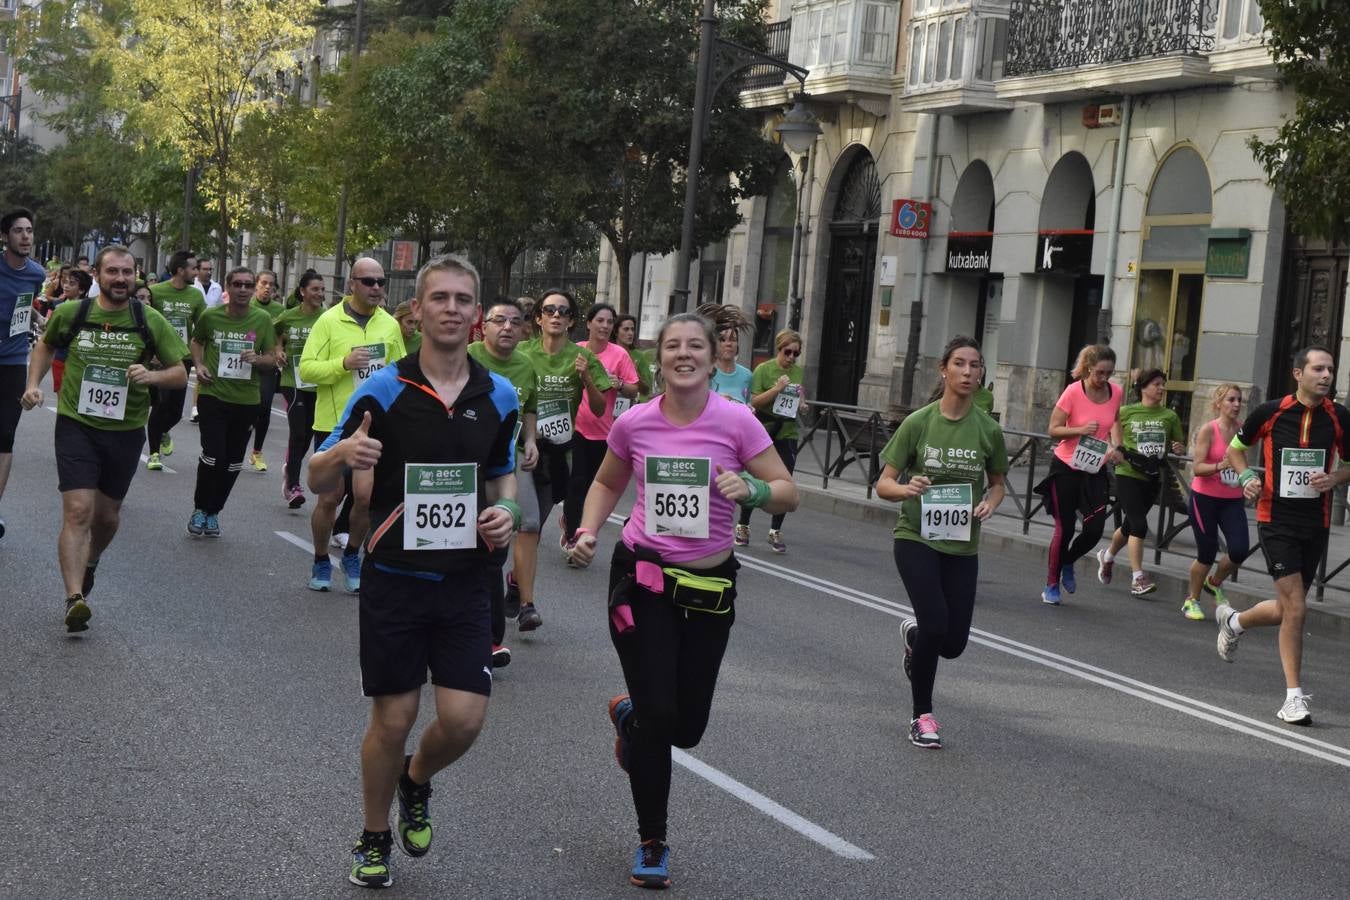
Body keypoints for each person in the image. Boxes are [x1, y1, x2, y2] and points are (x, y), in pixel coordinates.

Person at [307, 253, 519, 890]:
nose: (452, 309)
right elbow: (316, 475)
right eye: (440, 299)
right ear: (418, 311)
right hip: (396, 579)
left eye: (463, 300)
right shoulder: (384, 389)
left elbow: (502, 475)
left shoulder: (498, 394)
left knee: (462, 721)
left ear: (476, 316)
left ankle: (415, 780)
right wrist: (343, 451)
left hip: (465, 583)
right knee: (392, 721)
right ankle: (373, 835)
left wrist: (505, 510)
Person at [568, 311, 797, 891]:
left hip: (710, 589)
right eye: (673, 346)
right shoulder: (637, 423)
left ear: (710, 353)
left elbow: (788, 494)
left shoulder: (739, 421)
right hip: (644, 581)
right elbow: (605, 482)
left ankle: (628, 714)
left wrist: (756, 488)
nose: (685, 354)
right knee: (660, 718)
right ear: (658, 358)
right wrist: (589, 531)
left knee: (686, 727)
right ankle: (652, 840)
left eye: (696, 345)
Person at [21, 245, 187, 630]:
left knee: (107, 516)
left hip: (126, 430)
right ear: (97, 275)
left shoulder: (149, 320)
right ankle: (74, 597)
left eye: (127, 273)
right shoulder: (73, 313)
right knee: (79, 510)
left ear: (136, 276)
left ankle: (91, 561)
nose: (120, 279)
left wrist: (153, 376)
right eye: (112, 272)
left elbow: (179, 372)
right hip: (77, 423)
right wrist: (33, 384)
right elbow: (45, 346)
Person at [876, 336, 1007, 749]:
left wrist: (990, 502)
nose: (969, 372)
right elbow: (883, 484)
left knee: (952, 644)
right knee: (935, 620)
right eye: (961, 364)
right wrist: (907, 488)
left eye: (976, 366)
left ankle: (917, 641)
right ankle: (921, 716)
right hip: (916, 537)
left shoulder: (988, 430)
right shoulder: (919, 423)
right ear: (944, 370)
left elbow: (999, 484)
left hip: (962, 544)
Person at [1216, 346, 1350, 726]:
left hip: (1316, 521)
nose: (1326, 375)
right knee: (1297, 609)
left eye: (1331, 370)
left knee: (1287, 608)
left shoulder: (1339, 417)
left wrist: (1335, 478)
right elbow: (1236, 449)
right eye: (1319, 368)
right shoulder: (1271, 411)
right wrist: (1246, 477)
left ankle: (1235, 622)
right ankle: (1293, 698)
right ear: (1298, 373)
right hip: (1275, 519)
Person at [299, 257, 406, 592]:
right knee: (329, 498)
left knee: (364, 498)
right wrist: (343, 363)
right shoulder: (328, 322)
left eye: (380, 281)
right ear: (352, 284)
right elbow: (306, 369)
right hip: (334, 424)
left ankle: (351, 554)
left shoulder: (389, 325)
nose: (376, 288)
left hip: (374, 425)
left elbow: (403, 371)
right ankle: (319, 558)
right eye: (368, 281)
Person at [512, 288, 609, 629]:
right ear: (537, 318)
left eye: (563, 311)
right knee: (530, 523)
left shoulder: (582, 359)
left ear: (570, 321)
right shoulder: (521, 352)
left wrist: (585, 378)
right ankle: (527, 605)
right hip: (522, 450)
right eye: (549, 310)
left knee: (535, 527)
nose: (556, 315)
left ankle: (516, 578)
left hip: (558, 454)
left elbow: (599, 408)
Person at [468, 298, 539, 667]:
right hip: (460, 472)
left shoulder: (525, 366)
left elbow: (530, 407)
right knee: (457, 551)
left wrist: (530, 440)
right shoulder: (466, 356)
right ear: (484, 326)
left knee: (494, 552)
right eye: (499, 320)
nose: (508, 327)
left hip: (500, 470)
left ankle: (492, 639)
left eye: (515, 321)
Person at [187, 266, 280, 537]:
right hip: (213, 395)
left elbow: (272, 357)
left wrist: (258, 359)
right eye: (237, 284)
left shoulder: (262, 319)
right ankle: (199, 508)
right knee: (213, 454)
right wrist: (199, 364)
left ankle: (215, 512)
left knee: (233, 461)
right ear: (227, 287)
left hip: (247, 400)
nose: (242, 289)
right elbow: (196, 341)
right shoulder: (211, 315)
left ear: (253, 289)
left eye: (247, 285)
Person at [1036, 344, 1124, 606]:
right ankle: (1051, 585)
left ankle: (1068, 562)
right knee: (1064, 529)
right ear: (1088, 369)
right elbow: (1053, 429)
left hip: (1094, 469)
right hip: (1065, 468)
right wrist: (1080, 429)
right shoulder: (1073, 392)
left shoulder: (1115, 392)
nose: (1104, 379)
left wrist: (1117, 447)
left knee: (1095, 529)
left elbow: (1116, 421)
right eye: (1099, 373)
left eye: (1109, 373)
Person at [1096, 368, 1185, 597]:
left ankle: (1107, 556)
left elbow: (1178, 445)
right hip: (1127, 473)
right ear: (1143, 387)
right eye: (1157, 384)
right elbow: (1104, 432)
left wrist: (1178, 448)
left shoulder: (1170, 416)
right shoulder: (1125, 412)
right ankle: (1138, 579)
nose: (1161, 388)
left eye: (1163, 384)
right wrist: (1112, 449)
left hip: (1153, 476)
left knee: (1129, 527)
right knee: (1139, 525)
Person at [564, 303, 638, 550]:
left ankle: (579, 525)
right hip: (575, 428)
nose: (605, 326)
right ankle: (574, 535)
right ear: (588, 324)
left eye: (609, 322)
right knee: (576, 483)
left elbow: (633, 388)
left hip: (604, 432)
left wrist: (618, 384)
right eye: (600, 321)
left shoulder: (619, 355)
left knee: (591, 487)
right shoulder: (576, 351)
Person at [1183, 383, 1251, 621]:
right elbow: (1197, 468)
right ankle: (1191, 600)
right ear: (1219, 403)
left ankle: (1214, 582)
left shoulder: (1242, 430)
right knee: (1207, 552)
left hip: (1232, 500)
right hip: (1205, 499)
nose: (1236, 405)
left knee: (1240, 549)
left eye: (1239, 400)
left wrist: (1249, 479)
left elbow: (1242, 464)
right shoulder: (1208, 430)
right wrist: (1219, 466)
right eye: (1231, 400)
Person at [0, 208, 48, 543]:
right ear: (6, 236)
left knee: (4, 437)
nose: (26, 236)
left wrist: (40, 321)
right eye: (19, 230)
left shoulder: (36, 273)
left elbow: (24, 302)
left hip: (14, 361)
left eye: (29, 230)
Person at [737, 328, 806, 553]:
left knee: (785, 481)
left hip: (787, 432)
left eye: (796, 353)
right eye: (788, 352)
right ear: (779, 349)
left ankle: (775, 530)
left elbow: (799, 395)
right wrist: (777, 388)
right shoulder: (763, 370)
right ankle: (743, 525)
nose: (791, 358)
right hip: (764, 431)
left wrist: (802, 404)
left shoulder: (798, 371)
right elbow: (754, 402)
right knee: (756, 479)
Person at [146, 250, 205, 471]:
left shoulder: (196, 296)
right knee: (160, 405)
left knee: (175, 412)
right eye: (193, 268)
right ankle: (153, 453)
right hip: (159, 358)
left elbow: (201, 329)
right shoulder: (156, 291)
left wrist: (202, 359)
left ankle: (162, 431)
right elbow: (147, 323)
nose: (196, 272)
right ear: (181, 270)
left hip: (183, 357)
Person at [275, 271, 327, 509]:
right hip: (293, 380)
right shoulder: (287, 317)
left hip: (319, 382)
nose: (319, 294)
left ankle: (290, 467)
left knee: (308, 433)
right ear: (303, 291)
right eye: (315, 289)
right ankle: (293, 486)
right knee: (297, 432)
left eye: (322, 290)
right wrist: (277, 349)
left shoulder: (327, 319)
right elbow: (271, 333)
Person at [247, 269, 286, 472]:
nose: (267, 287)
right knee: (245, 408)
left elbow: (280, 337)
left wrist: (279, 351)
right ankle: (237, 447)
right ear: (256, 285)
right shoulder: (247, 304)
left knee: (264, 407)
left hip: (268, 364)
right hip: (245, 364)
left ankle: (257, 452)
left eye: (271, 284)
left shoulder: (279, 310)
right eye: (263, 283)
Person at [702, 303, 752, 404]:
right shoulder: (706, 373)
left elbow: (748, 403)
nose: (728, 344)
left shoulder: (747, 375)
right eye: (723, 340)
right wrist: (717, 401)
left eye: (733, 340)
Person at [614, 313, 653, 403]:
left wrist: (636, 375)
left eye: (632, 329)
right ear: (616, 332)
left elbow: (647, 391)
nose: (630, 333)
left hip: (633, 406)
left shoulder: (639, 356)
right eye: (626, 329)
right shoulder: (607, 352)